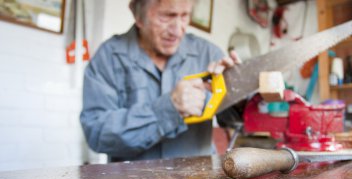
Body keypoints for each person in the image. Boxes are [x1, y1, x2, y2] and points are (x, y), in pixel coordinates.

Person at [80, 0, 241, 162]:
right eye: (166, 16)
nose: (177, 31)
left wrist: (237, 91)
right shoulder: (108, 57)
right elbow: (96, 134)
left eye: (184, 16)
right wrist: (169, 109)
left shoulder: (208, 53)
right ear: (138, 16)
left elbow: (233, 121)